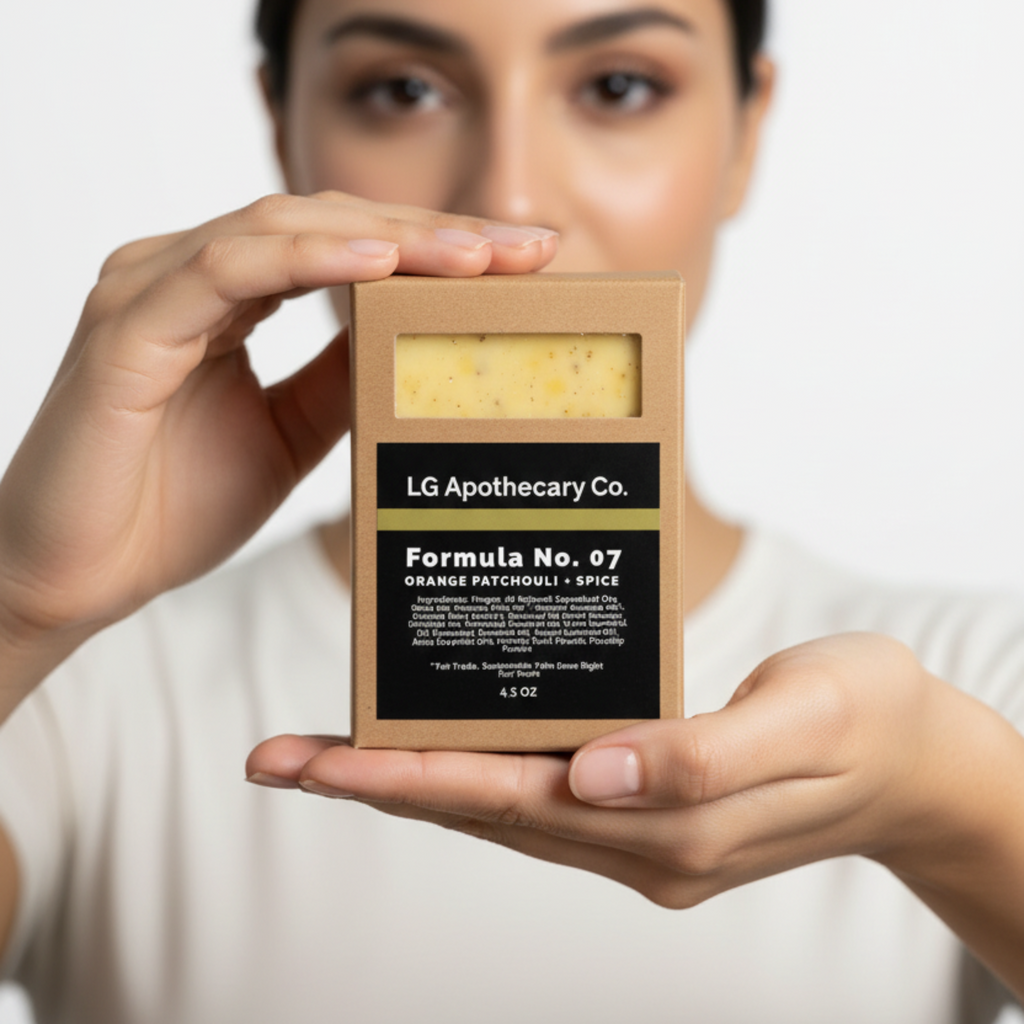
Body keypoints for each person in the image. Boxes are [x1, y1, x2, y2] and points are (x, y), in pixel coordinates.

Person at [0, 0, 1022, 1021]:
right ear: (284, 129)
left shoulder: (972, 689)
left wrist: (952, 810)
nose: (509, 193)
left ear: (745, 132)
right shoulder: (75, 694)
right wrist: (19, 609)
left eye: (618, 87)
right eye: (403, 91)